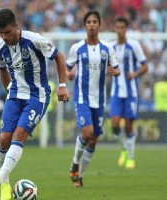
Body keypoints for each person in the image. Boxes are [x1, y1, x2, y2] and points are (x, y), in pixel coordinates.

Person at [0, 8, 69, 200]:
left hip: (38, 95)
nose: (4, 37)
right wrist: (9, 89)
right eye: (1, 33)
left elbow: (59, 57)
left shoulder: (34, 40)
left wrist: (62, 85)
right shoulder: (0, 48)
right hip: (15, 94)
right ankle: (4, 186)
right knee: (4, 138)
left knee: (18, 135)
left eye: (8, 32)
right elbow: (2, 69)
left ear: (16, 27)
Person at [66, 10, 120, 187]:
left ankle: (79, 174)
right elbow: (67, 69)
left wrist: (115, 72)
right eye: (88, 22)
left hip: (100, 98)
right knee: (87, 132)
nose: (91, 25)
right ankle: (75, 162)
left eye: (94, 22)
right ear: (85, 25)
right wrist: (70, 74)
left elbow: (117, 69)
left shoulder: (107, 47)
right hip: (82, 97)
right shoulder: (77, 48)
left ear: (99, 25)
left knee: (94, 138)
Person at [110, 17, 148, 169]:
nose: (119, 30)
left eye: (122, 27)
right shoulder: (110, 47)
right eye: (117, 27)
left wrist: (135, 74)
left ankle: (131, 158)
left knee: (129, 126)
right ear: (114, 29)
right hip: (116, 91)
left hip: (131, 91)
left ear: (126, 29)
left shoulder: (134, 45)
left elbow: (145, 66)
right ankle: (124, 149)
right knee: (114, 124)